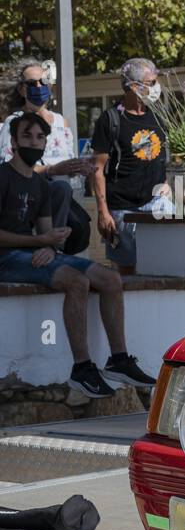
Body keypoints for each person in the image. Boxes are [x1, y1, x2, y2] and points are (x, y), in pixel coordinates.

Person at [0, 113, 155, 397]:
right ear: (13, 142)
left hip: (32, 254)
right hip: (6, 260)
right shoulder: (2, 176)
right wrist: (39, 241)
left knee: (110, 279)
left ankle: (119, 360)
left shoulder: (39, 185)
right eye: (27, 136)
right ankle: (82, 368)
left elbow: (47, 231)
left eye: (39, 137)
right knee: (77, 282)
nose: (34, 142)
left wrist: (48, 245)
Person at [89, 58, 175, 274]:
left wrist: (166, 184)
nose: (157, 87)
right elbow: (97, 169)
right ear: (134, 86)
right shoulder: (110, 119)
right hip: (121, 209)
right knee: (126, 273)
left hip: (155, 203)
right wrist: (103, 212)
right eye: (151, 82)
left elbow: (163, 157)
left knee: (165, 265)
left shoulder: (159, 116)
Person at [0, 59, 99, 235]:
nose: (39, 86)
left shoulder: (62, 122)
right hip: (30, 206)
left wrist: (80, 167)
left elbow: (68, 165)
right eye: (32, 83)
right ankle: (49, 245)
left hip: (66, 203)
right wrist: (51, 170)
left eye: (44, 81)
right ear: (22, 89)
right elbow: (10, 169)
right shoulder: (14, 122)